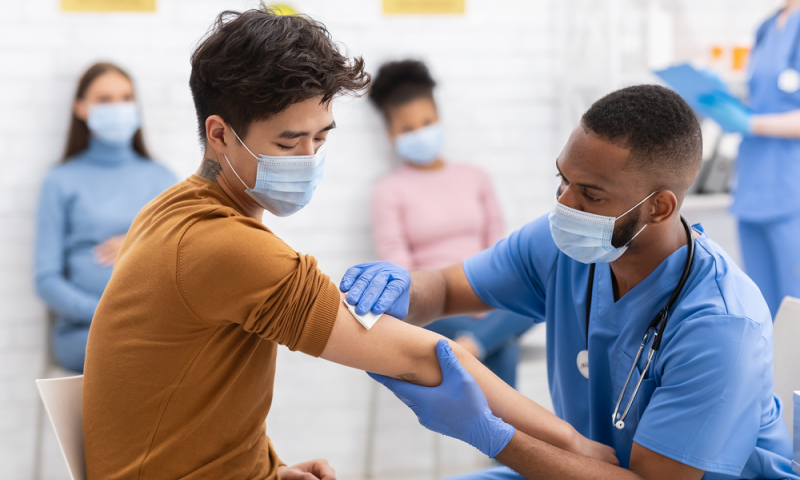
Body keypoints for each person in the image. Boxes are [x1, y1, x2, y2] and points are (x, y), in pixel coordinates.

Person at [80, 7, 616, 480]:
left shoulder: (170, 211)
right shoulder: (224, 246)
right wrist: (572, 443)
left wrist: (265, 468)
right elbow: (423, 355)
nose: (309, 159)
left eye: (321, 137)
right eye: (289, 142)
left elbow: (182, 391)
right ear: (220, 135)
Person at [342, 85, 799, 479]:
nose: (565, 204)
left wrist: (491, 433)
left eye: (591, 194)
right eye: (563, 180)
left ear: (659, 207)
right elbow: (443, 289)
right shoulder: (561, 244)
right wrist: (403, 290)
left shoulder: (720, 325)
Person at [369, 60, 533, 389]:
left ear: (440, 119)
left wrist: (484, 298)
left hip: (486, 293)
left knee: (537, 292)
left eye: (427, 122)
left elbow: (497, 248)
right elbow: (399, 267)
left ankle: (470, 348)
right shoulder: (388, 191)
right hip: (432, 308)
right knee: (504, 344)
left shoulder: (475, 177)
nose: (420, 133)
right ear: (391, 134)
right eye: (408, 128)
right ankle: (484, 348)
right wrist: (451, 301)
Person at [34, 62, 176, 373]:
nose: (118, 108)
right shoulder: (61, 180)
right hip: (84, 332)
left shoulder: (164, 179)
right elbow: (46, 279)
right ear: (81, 109)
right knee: (137, 357)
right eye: (104, 99)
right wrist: (105, 313)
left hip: (154, 325)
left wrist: (138, 240)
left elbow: (186, 258)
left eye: (126, 98)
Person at [696, 1, 800, 317]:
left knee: (795, 307)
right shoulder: (767, 27)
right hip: (755, 185)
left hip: (791, 188)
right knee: (762, 310)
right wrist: (723, 103)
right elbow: (762, 98)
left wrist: (752, 123)